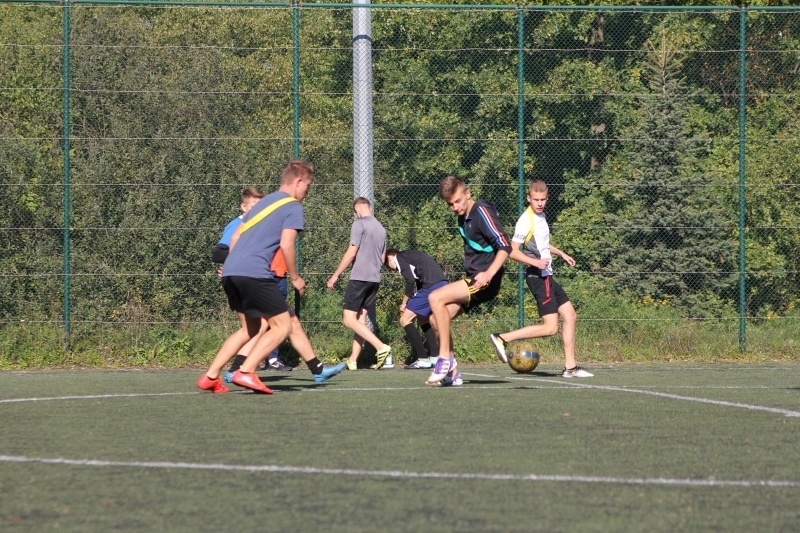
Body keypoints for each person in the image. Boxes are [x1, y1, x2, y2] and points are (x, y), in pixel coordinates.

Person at [197, 160, 345, 394]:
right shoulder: (293, 206)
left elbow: (235, 238)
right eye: (308, 185)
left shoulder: (263, 203)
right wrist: (295, 277)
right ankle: (246, 371)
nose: (307, 190)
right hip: (255, 272)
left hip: (232, 271)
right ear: (298, 181)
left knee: (251, 328)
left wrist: (235, 264)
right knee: (283, 326)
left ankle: (210, 376)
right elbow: (286, 244)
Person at [489, 180, 593, 378]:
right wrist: (535, 262)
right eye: (536, 199)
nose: (539, 203)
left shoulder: (541, 216)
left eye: (543, 199)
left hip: (547, 275)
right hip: (537, 276)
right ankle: (502, 338)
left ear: (547, 198)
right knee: (551, 327)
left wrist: (561, 253)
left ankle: (570, 367)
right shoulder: (525, 220)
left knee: (570, 315)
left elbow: (542, 244)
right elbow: (512, 250)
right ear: (528, 198)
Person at [426, 176, 512, 386]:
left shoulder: (481, 211)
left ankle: (444, 358)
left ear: (468, 193)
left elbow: (505, 246)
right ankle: (453, 374)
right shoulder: (463, 217)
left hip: (484, 281)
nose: (455, 207)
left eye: (458, 201)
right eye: (450, 204)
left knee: (435, 297)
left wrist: (489, 273)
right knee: (435, 320)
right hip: (474, 280)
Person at [212, 188, 293, 376]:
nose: (259, 209)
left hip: (261, 277)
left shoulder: (258, 225)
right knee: (259, 327)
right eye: (254, 205)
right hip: (249, 279)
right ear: (243, 206)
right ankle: (236, 370)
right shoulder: (238, 224)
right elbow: (218, 253)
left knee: (263, 326)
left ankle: (236, 370)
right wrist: (237, 263)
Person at [326, 197, 392, 371]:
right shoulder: (381, 229)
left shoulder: (359, 224)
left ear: (356, 210)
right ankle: (353, 360)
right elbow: (383, 259)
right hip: (374, 279)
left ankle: (380, 347)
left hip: (360, 278)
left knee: (348, 320)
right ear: (370, 208)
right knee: (360, 320)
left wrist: (335, 275)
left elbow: (351, 252)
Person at [384, 248, 448, 369]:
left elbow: (410, 280)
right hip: (442, 284)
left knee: (405, 320)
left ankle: (423, 359)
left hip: (431, 287)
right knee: (423, 319)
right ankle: (435, 357)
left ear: (389, 258)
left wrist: (404, 303)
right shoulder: (411, 256)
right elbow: (418, 281)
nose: (391, 269)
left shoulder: (399, 257)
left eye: (387, 265)